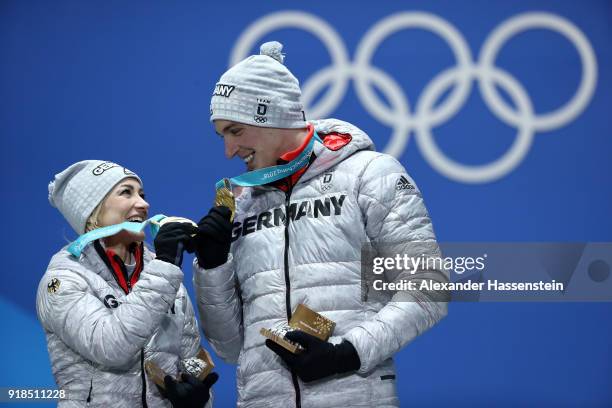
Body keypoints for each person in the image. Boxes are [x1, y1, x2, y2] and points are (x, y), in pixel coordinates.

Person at [193, 41, 448, 407]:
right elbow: (231, 348)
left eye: (235, 131)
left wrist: (346, 354)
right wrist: (212, 267)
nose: (229, 151)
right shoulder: (241, 203)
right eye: (223, 136)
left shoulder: (369, 175)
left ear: (271, 115)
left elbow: (427, 291)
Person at [37, 160, 218, 407]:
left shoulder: (162, 270)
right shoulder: (63, 279)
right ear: (92, 212)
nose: (144, 204)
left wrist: (198, 401)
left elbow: (190, 361)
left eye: (142, 194)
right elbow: (111, 347)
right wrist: (165, 265)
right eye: (126, 192)